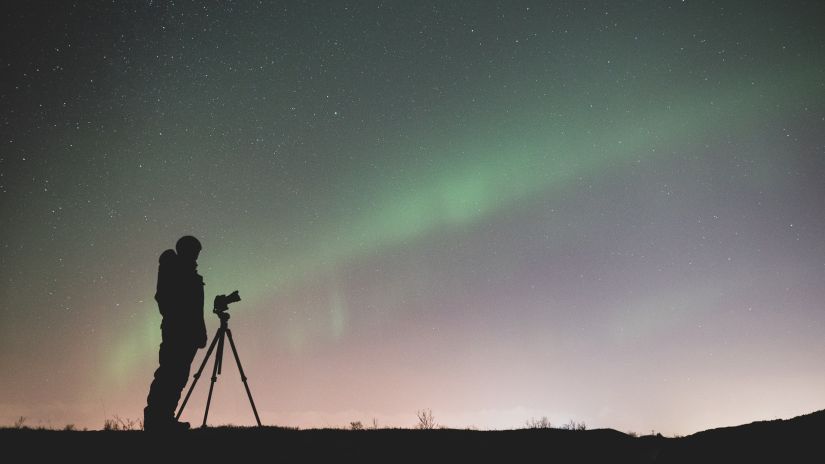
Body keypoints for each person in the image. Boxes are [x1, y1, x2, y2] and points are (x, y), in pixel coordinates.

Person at [144, 235, 208, 431]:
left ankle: (166, 418)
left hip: (188, 333)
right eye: (194, 251)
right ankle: (156, 420)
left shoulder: (191, 274)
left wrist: (200, 331)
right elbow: (163, 297)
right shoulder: (174, 267)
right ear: (186, 250)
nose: (196, 255)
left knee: (179, 376)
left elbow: (197, 308)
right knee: (169, 374)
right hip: (177, 331)